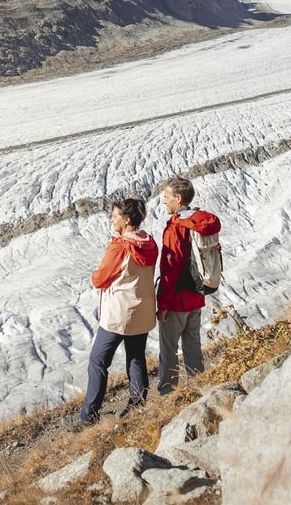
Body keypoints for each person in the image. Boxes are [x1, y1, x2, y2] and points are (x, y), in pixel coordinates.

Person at [77, 197, 159, 426]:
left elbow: (100, 279)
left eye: (114, 216)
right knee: (136, 358)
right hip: (142, 311)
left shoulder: (120, 246)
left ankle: (88, 416)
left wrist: (95, 274)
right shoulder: (150, 243)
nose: (111, 220)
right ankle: (137, 405)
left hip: (118, 314)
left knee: (97, 361)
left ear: (126, 219)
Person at [154, 175, 221, 395]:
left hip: (176, 301)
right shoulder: (200, 222)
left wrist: (162, 304)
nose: (164, 201)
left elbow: (170, 268)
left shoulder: (176, 227)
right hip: (197, 296)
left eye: (166, 197)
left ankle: (167, 392)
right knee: (193, 345)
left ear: (178, 198)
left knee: (169, 349)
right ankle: (199, 387)